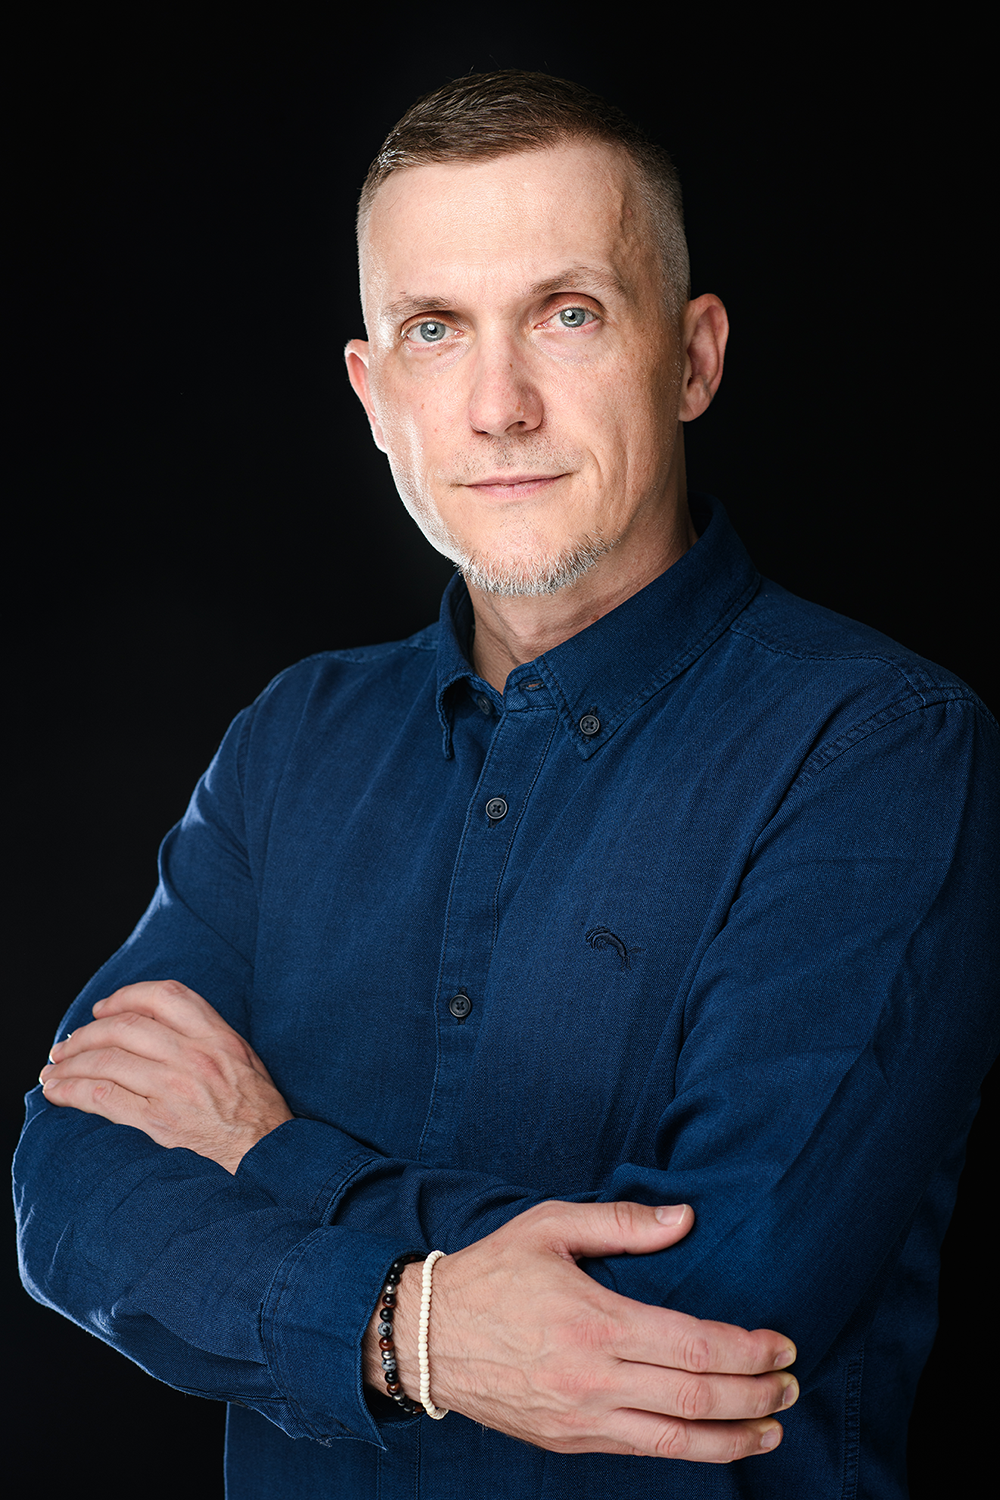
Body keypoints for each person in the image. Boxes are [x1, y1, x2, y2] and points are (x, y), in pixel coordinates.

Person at [15, 71, 998, 1499]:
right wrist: (417, 1327)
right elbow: (70, 1190)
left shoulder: (882, 748)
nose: (499, 406)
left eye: (567, 314)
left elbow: (711, 1302)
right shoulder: (292, 739)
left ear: (693, 359)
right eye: (435, 329)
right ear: (374, 395)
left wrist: (274, 1159)